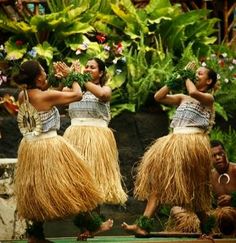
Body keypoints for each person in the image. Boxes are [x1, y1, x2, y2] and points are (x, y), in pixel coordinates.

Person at [122, 65, 217, 236]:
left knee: (193, 189)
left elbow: (194, 93)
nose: (196, 75)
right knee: (159, 184)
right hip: (175, 143)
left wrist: (187, 75)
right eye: (195, 73)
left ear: (209, 81)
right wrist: (173, 80)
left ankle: (207, 226)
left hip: (192, 146)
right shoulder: (182, 98)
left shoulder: (207, 98)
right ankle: (143, 225)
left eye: (200, 73)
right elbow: (159, 97)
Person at [14, 60, 103, 243]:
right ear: (38, 77)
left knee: (37, 191)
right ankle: (92, 224)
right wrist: (74, 75)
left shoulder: (23, 95)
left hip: (31, 147)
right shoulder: (45, 97)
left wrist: (58, 81)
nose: (46, 74)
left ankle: (35, 235)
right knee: (76, 183)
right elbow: (78, 95)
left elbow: (47, 90)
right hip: (49, 146)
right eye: (44, 72)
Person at [57, 58, 127, 239]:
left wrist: (78, 76)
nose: (88, 69)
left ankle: (89, 227)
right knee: (77, 182)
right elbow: (59, 97)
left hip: (97, 138)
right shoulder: (74, 88)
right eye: (86, 66)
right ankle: (91, 224)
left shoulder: (105, 89)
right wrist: (65, 78)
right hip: (74, 137)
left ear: (101, 73)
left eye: (92, 67)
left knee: (94, 181)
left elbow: (102, 96)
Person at [210, 140, 236, 236]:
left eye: (220, 154)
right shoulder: (211, 177)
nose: (218, 158)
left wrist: (232, 199)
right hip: (221, 223)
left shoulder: (235, 170)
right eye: (214, 155)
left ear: (226, 154)